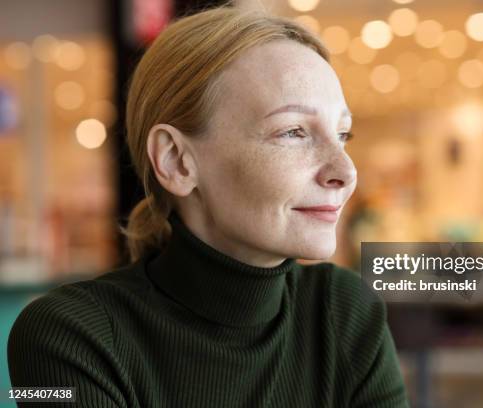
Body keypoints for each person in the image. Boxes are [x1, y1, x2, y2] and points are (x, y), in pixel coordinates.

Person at [7, 5, 409, 407]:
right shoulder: (65, 337)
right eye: (293, 132)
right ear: (176, 161)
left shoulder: (345, 311)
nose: (345, 171)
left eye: (343, 134)